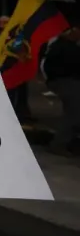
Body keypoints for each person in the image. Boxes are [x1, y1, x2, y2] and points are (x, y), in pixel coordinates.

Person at [41, 26, 80, 155]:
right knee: (74, 112)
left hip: (67, 80)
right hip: (64, 81)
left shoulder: (69, 46)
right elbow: (50, 66)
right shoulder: (61, 46)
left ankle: (69, 141)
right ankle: (59, 144)